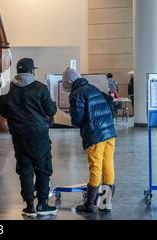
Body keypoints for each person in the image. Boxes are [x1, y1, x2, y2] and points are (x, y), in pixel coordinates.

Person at [0, 58, 58, 217]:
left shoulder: (7, 89)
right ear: (32, 71)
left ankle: (30, 206)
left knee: (25, 169)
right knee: (43, 168)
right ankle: (43, 204)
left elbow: (3, 112)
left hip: (18, 135)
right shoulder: (40, 88)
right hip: (38, 134)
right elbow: (51, 109)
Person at [62, 68, 116, 213]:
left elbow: (77, 120)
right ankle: (105, 203)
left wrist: (69, 115)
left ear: (69, 82)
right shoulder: (92, 87)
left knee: (96, 166)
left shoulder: (76, 94)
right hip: (109, 131)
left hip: (95, 134)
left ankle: (90, 204)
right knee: (107, 165)